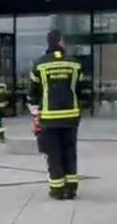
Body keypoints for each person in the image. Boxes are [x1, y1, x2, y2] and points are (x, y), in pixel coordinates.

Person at [29, 29, 85, 200]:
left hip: (49, 117)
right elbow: (80, 89)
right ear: (60, 42)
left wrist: (34, 111)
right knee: (70, 151)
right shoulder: (74, 64)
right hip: (71, 116)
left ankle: (57, 189)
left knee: (53, 153)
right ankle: (71, 189)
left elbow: (33, 93)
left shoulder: (40, 65)